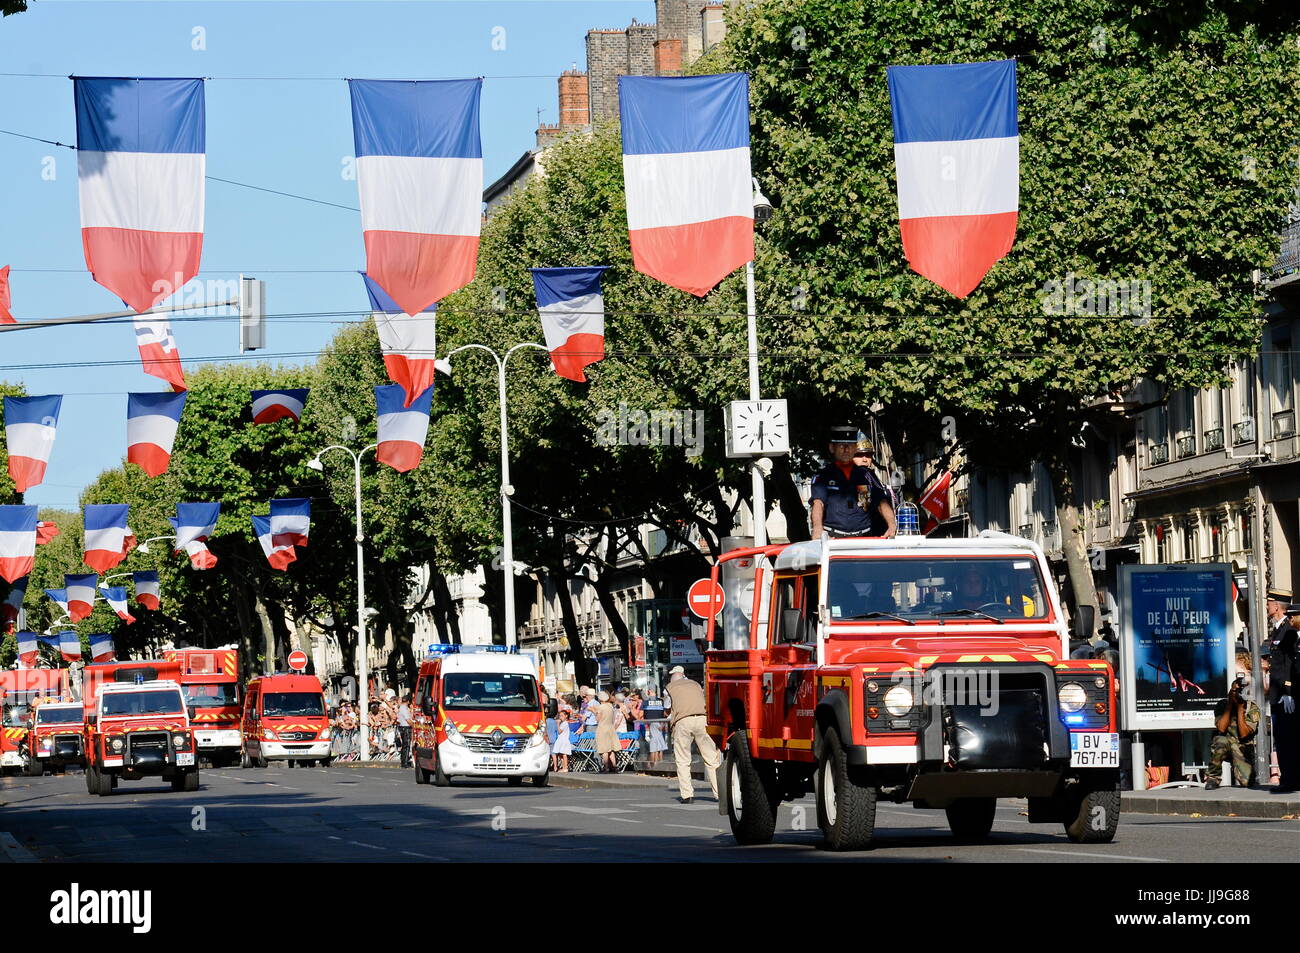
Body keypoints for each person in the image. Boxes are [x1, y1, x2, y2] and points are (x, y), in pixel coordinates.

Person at [809, 426, 897, 539]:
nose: (846, 450)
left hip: (864, 538)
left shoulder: (866, 475)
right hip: (834, 538)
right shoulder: (823, 475)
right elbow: (818, 503)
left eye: (850, 446)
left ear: (855, 448)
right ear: (832, 448)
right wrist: (817, 529)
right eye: (841, 446)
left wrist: (892, 525)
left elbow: (881, 502)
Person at [664, 665, 720, 803]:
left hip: (683, 721)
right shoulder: (695, 684)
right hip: (702, 719)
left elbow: (667, 709)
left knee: (683, 760)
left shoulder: (669, 688)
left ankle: (687, 795)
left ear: (673, 679)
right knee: (712, 759)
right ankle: (720, 794)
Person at [1206, 655, 1260, 790]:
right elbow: (1221, 728)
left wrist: (1240, 708)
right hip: (1225, 742)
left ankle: (1245, 773)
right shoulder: (1222, 705)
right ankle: (1213, 778)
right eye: (1235, 691)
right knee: (1220, 740)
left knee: (1247, 783)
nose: (1238, 694)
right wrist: (1230, 705)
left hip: (1242, 746)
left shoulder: (1252, 707)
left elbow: (1244, 734)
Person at [1267, 605, 1300, 792]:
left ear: (1277, 605)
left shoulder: (1288, 632)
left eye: (1269, 602)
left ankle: (1291, 779)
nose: (1266, 606)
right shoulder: (1280, 630)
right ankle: (1289, 778)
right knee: (1282, 738)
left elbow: (1289, 663)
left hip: (1285, 692)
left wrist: (1288, 690)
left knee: (1288, 738)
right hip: (1278, 691)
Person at [594, 690, 619, 773]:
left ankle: (606, 767)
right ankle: (614, 767)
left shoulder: (600, 707)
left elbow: (598, 719)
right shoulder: (610, 706)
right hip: (610, 728)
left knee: (604, 749)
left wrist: (594, 711)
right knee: (611, 749)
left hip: (603, 728)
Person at [395, 694, 413, 768]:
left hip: (402, 727)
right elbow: (408, 720)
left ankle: (403, 761)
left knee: (404, 745)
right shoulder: (404, 709)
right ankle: (405, 762)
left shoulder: (401, 708)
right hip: (406, 728)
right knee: (407, 745)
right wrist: (414, 726)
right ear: (408, 702)